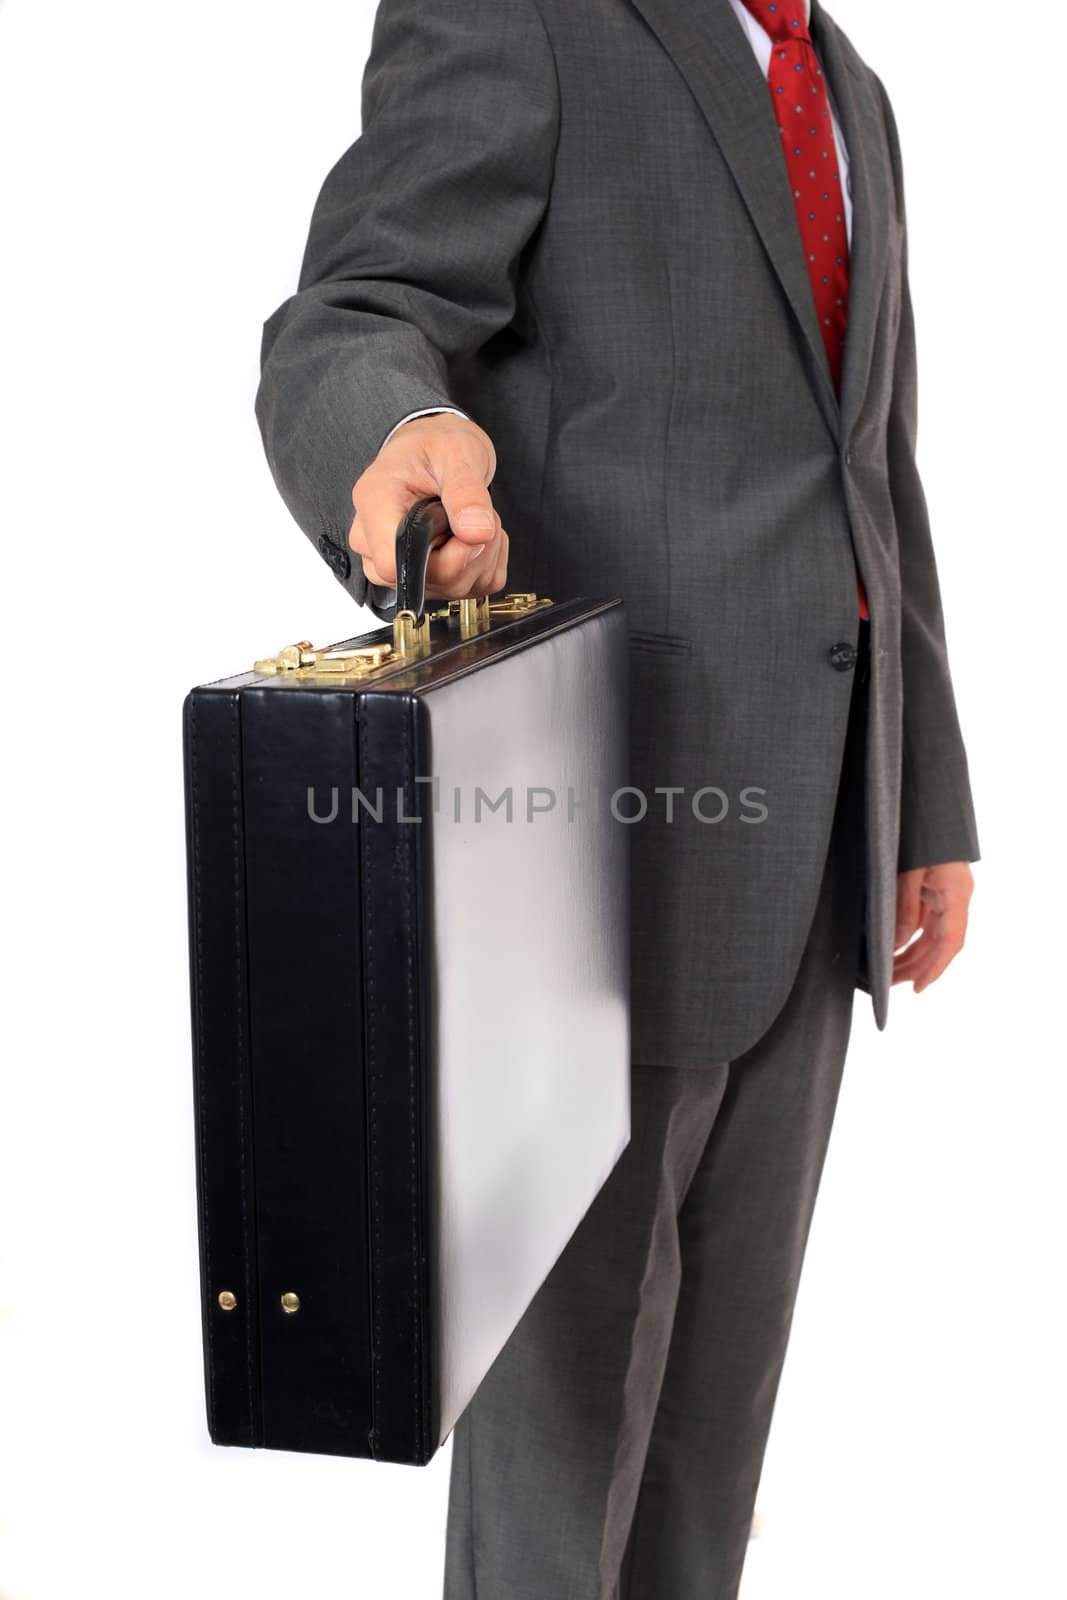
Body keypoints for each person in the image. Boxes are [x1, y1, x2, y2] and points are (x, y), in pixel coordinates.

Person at [254, 0, 980, 1593]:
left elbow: (876, 465)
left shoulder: (850, 84)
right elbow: (356, 309)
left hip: (820, 843)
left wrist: (928, 794)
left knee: (711, 1448)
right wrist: (403, 425)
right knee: (561, 1448)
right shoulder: (525, 13)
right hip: (593, 838)